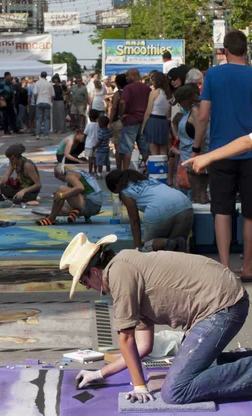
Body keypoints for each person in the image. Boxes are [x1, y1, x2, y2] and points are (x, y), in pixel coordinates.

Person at [60, 233, 251, 406]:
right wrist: (99, 374)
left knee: (176, 391)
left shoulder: (119, 273)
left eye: (83, 282)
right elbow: (143, 346)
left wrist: (140, 386)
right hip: (218, 303)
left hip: (221, 305)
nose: (86, 287)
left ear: (94, 272)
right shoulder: (124, 267)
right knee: (193, 368)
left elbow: (126, 339)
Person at [193, 29, 252, 279]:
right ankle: (249, 267)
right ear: (246, 50)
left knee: (222, 210)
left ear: (225, 51)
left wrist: (198, 148)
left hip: (219, 152)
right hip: (250, 151)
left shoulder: (214, 74)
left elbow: (204, 115)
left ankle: (225, 267)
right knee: (250, 212)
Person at [106, 169, 193, 251]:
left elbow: (134, 221)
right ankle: (174, 244)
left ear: (116, 186)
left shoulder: (125, 190)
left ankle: (166, 243)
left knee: (148, 246)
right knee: (176, 246)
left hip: (159, 208)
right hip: (184, 204)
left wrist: (137, 248)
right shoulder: (146, 179)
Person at [174, 85, 210, 203]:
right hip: (191, 156)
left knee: (199, 195)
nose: (180, 105)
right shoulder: (193, 111)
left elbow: (201, 133)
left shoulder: (195, 111)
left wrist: (196, 152)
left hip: (195, 156)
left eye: (180, 102)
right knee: (197, 195)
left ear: (187, 100)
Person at [36, 165, 103, 226]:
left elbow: (80, 188)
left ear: (60, 174)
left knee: (61, 189)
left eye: (59, 178)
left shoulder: (70, 176)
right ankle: (75, 211)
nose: (61, 180)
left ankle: (51, 219)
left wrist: (62, 195)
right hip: (95, 205)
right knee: (61, 206)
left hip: (90, 205)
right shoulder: (78, 172)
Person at [120, 69, 150, 169]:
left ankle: (125, 172)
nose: (126, 78)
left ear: (133, 76)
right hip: (144, 121)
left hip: (130, 120)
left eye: (127, 76)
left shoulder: (128, 88)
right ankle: (149, 171)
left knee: (127, 149)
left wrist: (122, 114)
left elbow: (123, 102)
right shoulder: (147, 88)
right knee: (145, 149)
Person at [142, 72, 172, 156]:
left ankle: (154, 168)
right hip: (164, 121)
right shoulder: (169, 94)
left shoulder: (154, 93)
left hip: (153, 120)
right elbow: (169, 112)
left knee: (154, 150)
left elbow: (148, 111)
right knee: (163, 150)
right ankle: (163, 168)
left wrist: (143, 126)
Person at [34, 71, 54, 140]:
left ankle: (37, 135)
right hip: (47, 102)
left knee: (38, 119)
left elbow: (35, 93)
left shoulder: (37, 83)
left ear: (40, 76)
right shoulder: (49, 84)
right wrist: (50, 101)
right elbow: (53, 95)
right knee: (46, 119)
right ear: (46, 76)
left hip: (39, 101)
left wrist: (36, 100)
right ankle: (46, 135)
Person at [83, 109, 99, 175]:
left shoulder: (88, 125)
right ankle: (95, 170)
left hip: (89, 144)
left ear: (89, 116)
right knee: (95, 159)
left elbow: (85, 134)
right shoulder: (98, 125)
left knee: (90, 158)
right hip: (96, 144)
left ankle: (90, 171)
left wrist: (84, 141)